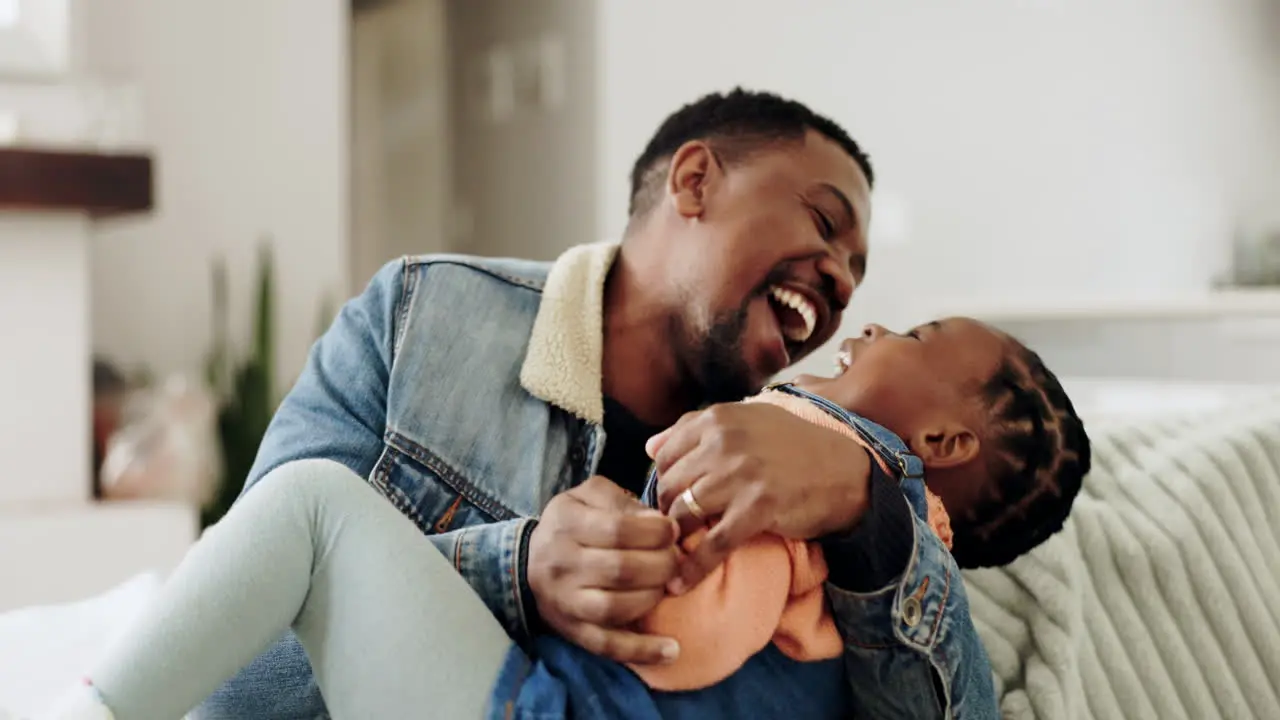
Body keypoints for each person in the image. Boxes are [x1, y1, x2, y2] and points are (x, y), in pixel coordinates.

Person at [174, 87, 994, 718]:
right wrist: (516, 574)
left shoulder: (825, 474)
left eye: (856, 268)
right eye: (824, 220)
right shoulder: (421, 321)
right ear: (695, 179)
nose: (844, 282)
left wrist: (865, 512)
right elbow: (227, 672)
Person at [44, 319, 1088, 720]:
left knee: (316, 506)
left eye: (914, 332)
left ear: (944, 447)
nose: (868, 323)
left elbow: (691, 635)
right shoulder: (812, 493)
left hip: (546, 714)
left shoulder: (831, 475)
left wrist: (656, 551)